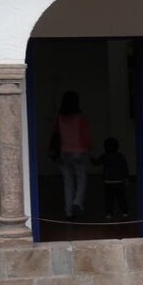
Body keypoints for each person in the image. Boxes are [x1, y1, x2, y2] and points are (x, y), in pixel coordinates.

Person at [48, 91, 93, 219]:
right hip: (79, 152)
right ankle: (77, 202)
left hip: (63, 153)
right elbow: (86, 136)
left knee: (67, 182)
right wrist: (90, 150)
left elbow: (53, 134)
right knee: (81, 178)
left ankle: (68, 211)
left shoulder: (59, 117)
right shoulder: (81, 117)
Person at [100, 137, 132, 220]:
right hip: (118, 181)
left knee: (108, 199)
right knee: (121, 198)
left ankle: (109, 214)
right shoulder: (120, 156)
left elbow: (96, 163)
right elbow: (124, 168)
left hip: (107, 182)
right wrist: (127, 179)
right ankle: (125, 212)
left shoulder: (104, 156)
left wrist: (90, 157)